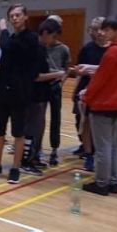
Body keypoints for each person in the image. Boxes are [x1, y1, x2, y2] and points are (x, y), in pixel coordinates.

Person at [0, 4, 45, 184]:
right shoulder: (12, 39)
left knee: (18, 132)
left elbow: (6, 46)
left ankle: (15, 167)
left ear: (25, 17)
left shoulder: (30, 38)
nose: (15, 18)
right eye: (12, 16)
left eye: (18, 15)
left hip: (20, 92)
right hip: (2, 91)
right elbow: (6, 60)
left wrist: (3, 29)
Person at [80, 17, 117, 196]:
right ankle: (112, 181)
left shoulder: (112, 52)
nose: (102, 33)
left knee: (102, 147)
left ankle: (102, 183)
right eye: (101, 30)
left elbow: (100, 79)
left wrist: (87, 96)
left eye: (106, 30)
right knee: (112, 145)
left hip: (103, 103)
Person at [22, 18, 66, 175]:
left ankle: (33, 158)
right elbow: (35, 76)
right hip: (33, 96)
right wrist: (57, 74)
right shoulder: (35, 48)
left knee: (37, 129)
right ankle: (25, 161)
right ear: (45, 33)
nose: (53, 41)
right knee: (30, 130)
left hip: (41, 96)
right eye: (53, 36)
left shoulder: (41, 48)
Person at [72, 17, 107, 170]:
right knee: (85, 122)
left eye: (101, 29)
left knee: (101, 124)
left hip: (104, 91)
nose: (98, 32)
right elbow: (79, 71)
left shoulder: (112, 49)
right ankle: (88, 154)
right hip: (86, 89)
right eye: (95, 29)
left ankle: (101, 153)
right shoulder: (87, 49)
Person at [42, 17, 70, 166]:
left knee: (55, 118)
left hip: (55, 87)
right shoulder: (41, 46)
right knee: (38, 119)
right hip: (41, 85)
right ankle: (36, 148)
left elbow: (66, 68)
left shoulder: (63, 49)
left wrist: (61, 82)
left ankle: (54, 149)